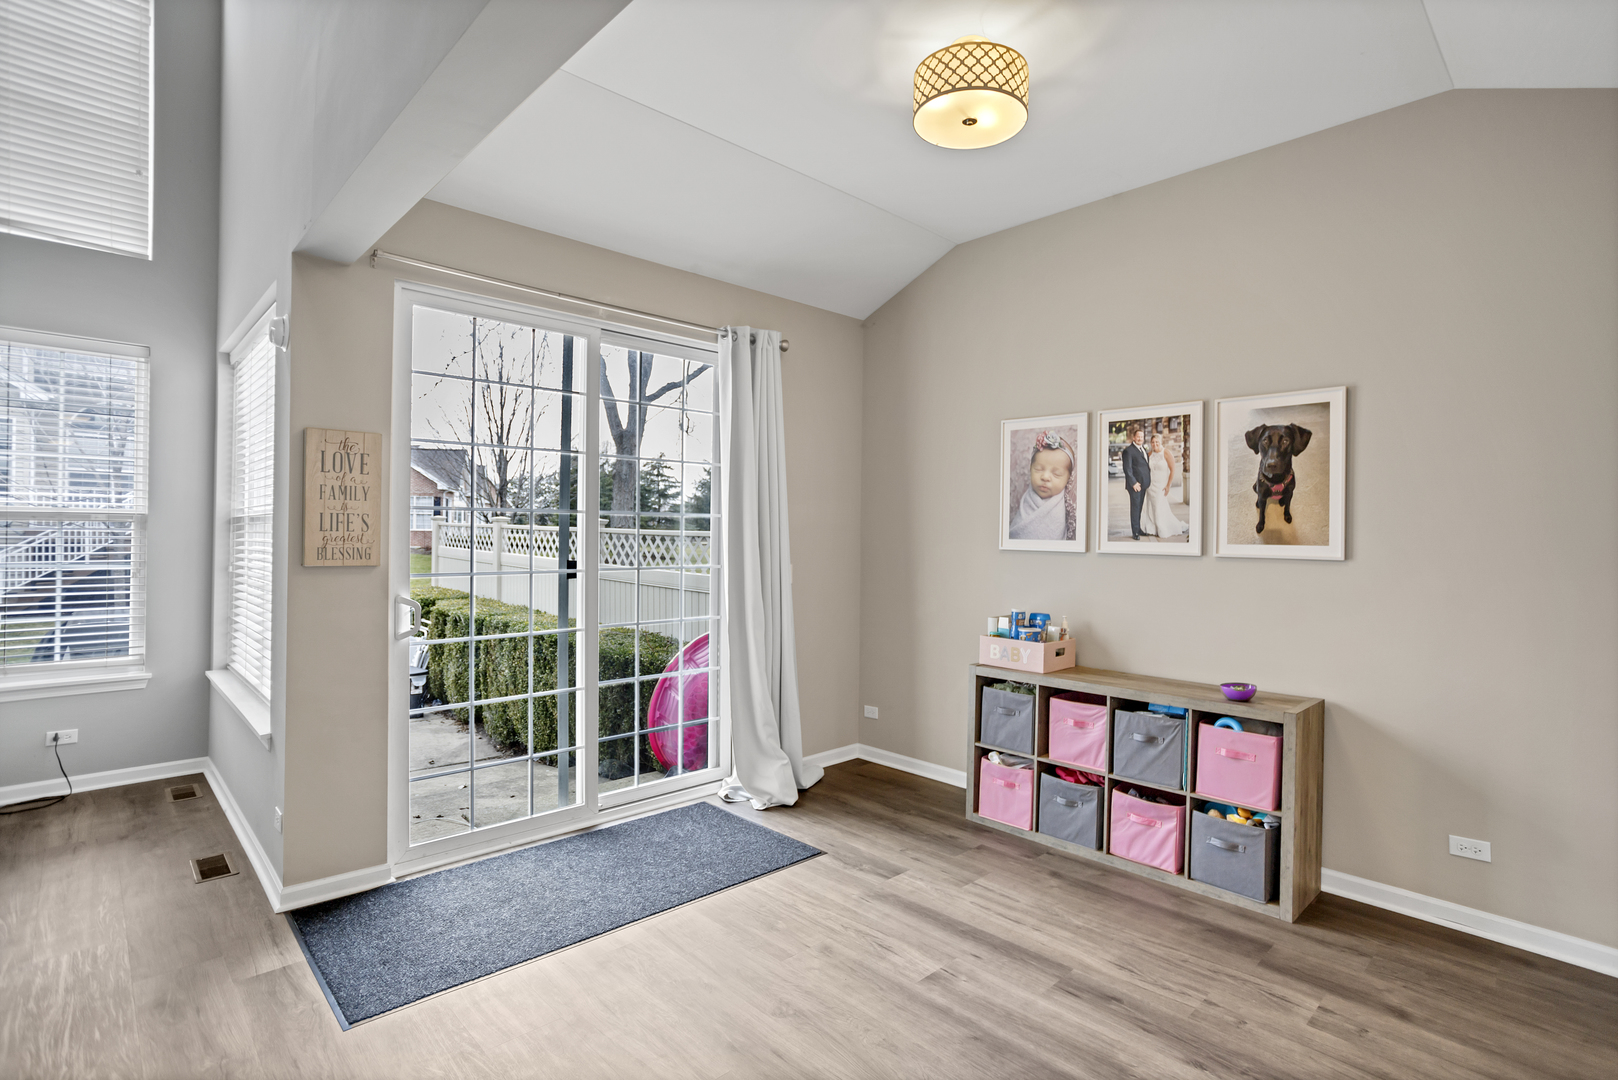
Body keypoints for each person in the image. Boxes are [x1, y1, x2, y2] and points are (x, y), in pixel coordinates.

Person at [1009, 430, 1076, 540]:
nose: (1045, 477)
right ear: (1030, 469)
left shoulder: (1059, 508)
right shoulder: (1027, 500)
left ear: (1068, 478)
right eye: (1038, 469)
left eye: (1056, 474)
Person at [1138, 432, 1189, 538]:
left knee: (1159, 507)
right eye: (1153, 442)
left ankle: (1162, 528)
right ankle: (1152, 528)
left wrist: (1168, 485)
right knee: (1150, 507)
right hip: (1150, 486)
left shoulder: (1166, 453)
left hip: (1161, 486)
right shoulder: (1149, 454)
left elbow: (1173, 469)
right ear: (1150, 443)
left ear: (1160, 442)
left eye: (1157, 442)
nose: (1155, 444)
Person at [1120, 424, 1151, 539]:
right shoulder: (1129, 451)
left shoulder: (1143, 449)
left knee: (1139, 507)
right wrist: (1133, 483)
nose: (1140, 439)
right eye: (1138, 437)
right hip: (1135, 485)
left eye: (1142, 437)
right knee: (1135, 508)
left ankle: (1138, 528)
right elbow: (1127, 469)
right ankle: (1135, 532)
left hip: (1143, 484)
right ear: (1134, 438)